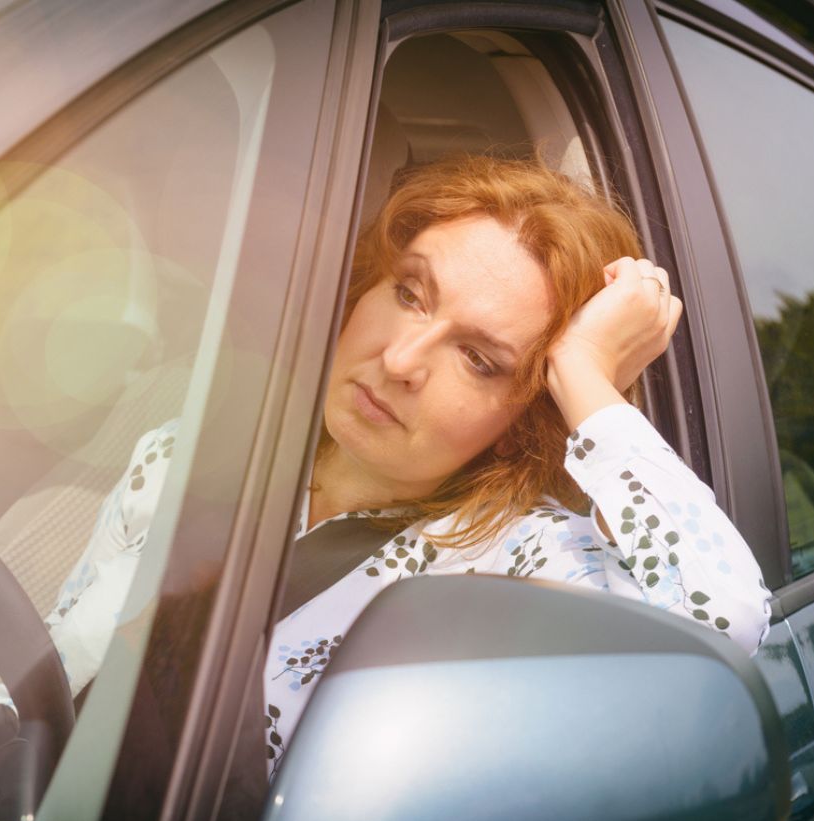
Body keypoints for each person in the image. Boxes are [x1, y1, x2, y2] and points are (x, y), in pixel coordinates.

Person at [44, 153, 772, 780]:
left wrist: (586, 372)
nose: (399, 361)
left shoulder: (521, 564)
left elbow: (719, 624)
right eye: (408, 292)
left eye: (480, 359)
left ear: (529, 415)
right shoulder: (186, 455)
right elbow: (32, 700)